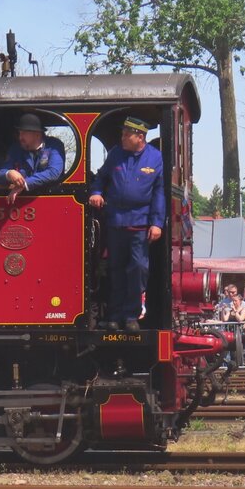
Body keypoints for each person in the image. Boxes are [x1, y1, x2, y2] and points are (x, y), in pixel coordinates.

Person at [88, 116, 165, 332]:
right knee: (116, 269)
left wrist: (157, 223)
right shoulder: (115, 154)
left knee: (137, 268)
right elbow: (101, 177)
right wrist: (96, 192)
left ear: (140, 137)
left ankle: (131, 315)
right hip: (115, 221)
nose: (122, 137)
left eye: (126, 134)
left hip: (140, 223)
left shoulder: (155, 157)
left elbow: (159, 192)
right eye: (122, 133)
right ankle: (114, 315)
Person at [0, 112, 65, 204]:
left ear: (37, 134)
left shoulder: (54, 146)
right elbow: (0, 173)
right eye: (19, 133)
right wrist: (9, 173)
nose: (20, 137)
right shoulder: (15, 149)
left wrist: (24, 184)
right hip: (19, 203)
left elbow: (53, 172)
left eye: (24, 133)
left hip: (51, 201)